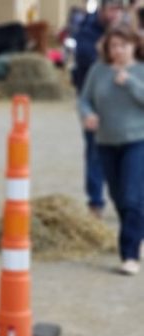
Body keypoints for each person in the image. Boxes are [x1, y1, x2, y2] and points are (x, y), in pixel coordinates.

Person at [78, 23, 144, 275]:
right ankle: (139, 232)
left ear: (134, 45)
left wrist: (129, 83)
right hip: (106, 140)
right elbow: (84, 98)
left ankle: (129, 254)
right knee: (118, 196)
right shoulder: (98, 70)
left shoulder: (140, 70)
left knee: (131, 195)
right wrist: (88, 114)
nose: (117, 51)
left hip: (137, 139)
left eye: (123, 45)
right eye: (113, 46)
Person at [71, 0, 128, 217]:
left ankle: (127, 202)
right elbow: (88, 58)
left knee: (127, 153)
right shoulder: (86, 32)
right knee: (95, 154)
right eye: (112, 8)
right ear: (102, 10)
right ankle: (95, 202)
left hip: (124, 105)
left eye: (119, 9)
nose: (115, 13)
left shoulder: (126, 32)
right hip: (95, 102)